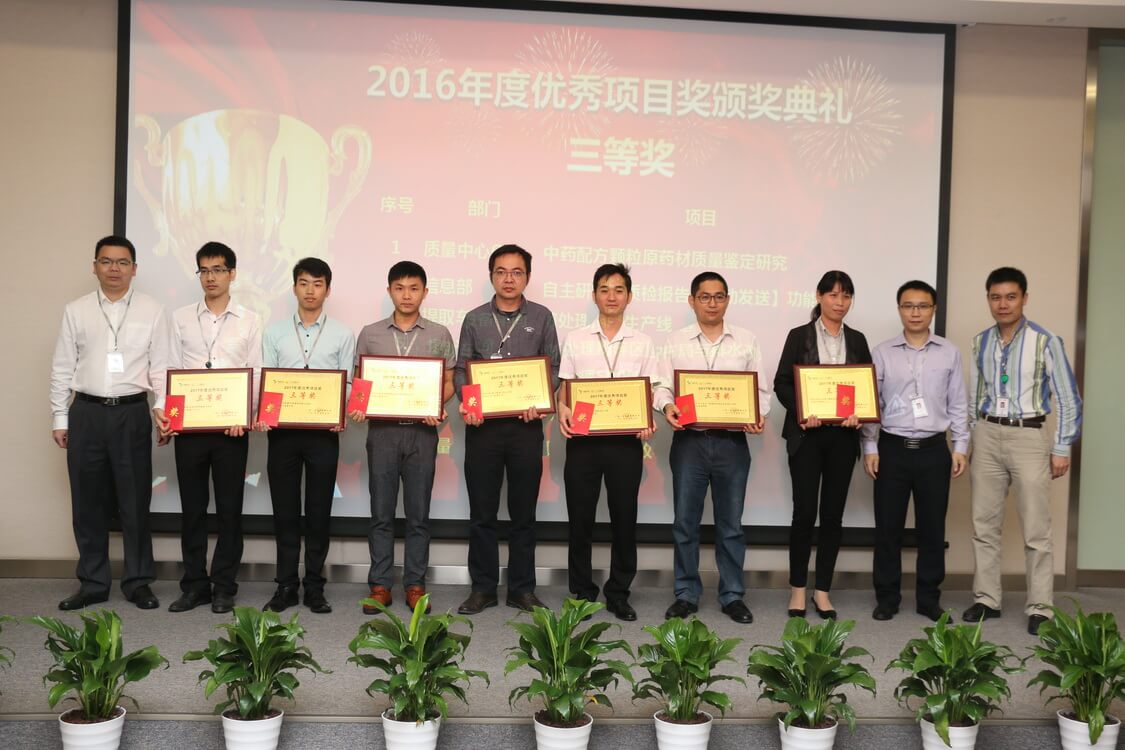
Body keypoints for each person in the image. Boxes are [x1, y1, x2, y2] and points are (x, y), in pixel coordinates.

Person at [49, 235, 170, 611]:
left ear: (134, 268)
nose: (114, 268)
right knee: (87, 502)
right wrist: (59, 416)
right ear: (95, 267)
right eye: (106, 261)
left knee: (135, 501)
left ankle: (138, 582)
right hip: (86, 412)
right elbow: (62, 366)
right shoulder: (77, 310)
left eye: (122, 262)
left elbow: (161, 366)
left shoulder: (153, 310)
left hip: (131, 413)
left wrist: (162, 410)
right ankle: (93, 582)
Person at [962, 267, 1082, 636]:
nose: (1003, 304)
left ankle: (1040, 607)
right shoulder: (980, 342)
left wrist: (1061, 447)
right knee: (984, 524)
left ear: (1024, 298)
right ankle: (987, 599)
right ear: (988, 299)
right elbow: (975, 396)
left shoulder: (1046, 341)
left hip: (1029, 436)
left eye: (1011, 297)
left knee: (1036, 529)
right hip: (987, 434)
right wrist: (972, 439)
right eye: (996, 297)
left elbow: (1068, 399)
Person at [653, 271, 769, 624]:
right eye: (705, 297)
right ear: (692, 301)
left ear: (727, 300)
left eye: (719, 297)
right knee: (685, 523)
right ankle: (686, 594)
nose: (712, 303)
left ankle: (732, 595)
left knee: (730, 524)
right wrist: (667, 407)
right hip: (690, 442)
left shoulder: (746, 341)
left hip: (732, 443)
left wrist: (757, 414)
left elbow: (761, 392)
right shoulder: (675, 341)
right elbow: (661, 387)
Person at [454, 244, 560, 615]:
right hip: (483, 429)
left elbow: (553, 368)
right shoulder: (474, 319)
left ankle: (521, 589)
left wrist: (541, 400)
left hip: (525, 429)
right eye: (501, 272)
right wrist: (470, 403)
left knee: (523, 514)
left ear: (527, 277)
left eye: (516, 272)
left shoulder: (542, 317)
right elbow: (461, 369)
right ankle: (483, 588)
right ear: (491, 276)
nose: (509, 279)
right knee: (482, 514)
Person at [556, 264, 660, 622]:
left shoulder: (643, 342)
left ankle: (618, 592)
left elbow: (651, 389)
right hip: (583, 442)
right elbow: (565, 387)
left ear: (629, 297)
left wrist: (647, 418)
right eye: (604, 289)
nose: (611, 296)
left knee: (624, 520)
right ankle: (582, 593)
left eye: (618, 290)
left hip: (625, 444)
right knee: (580, 520)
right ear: (594, 295)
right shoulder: (576, 338)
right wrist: (562, 408)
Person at [861, 280, 968, 622]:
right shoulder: (882, 352)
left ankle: (928, 599)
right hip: (892, 449)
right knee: (887, 528)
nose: (915, 312)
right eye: (908, 306)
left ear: (933, 309)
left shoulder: (949, 352)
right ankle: (887, 598)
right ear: (899, 310)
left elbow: (958, 402)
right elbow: (872, 404)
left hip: (934, 450)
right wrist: (870, 446)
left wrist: (961, 445)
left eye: (922, 306)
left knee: (932, 530)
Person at [351, 261, 455, 615]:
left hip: (422, 433)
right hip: (382, 432)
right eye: (399, 288)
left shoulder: (439, 333)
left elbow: (449, 381)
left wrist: (436, 405)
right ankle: (380, 585)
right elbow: (360, 381)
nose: (406, 295)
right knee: (381, 512)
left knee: (418, 514)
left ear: (425, 292)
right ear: (389, 291)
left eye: (413, 288)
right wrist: (359, 405)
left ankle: (415, 585)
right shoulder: (371, 333)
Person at [164, 242, 262, 614]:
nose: (211, 277)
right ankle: (194, 586)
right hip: (190, 430)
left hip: (231, 431)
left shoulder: (250, 319)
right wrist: (170, 417)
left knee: (229, 511)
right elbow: (170, 368)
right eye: (204, 270)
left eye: (218, 269)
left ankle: (224, 586)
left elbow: (255, 372)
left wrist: (245, 415)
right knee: (192, 510)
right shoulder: (180, 318)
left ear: (232, 274)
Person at [259, 257, 355, 614]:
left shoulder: (343, 334)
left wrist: (340, 412)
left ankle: (314, 585)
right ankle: (285, 585)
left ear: (327, 290)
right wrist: (265, 413)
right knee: (284, 511)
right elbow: (266, 380)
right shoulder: (274, 332)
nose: (310, 290)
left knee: (318, 510)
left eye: (317, 284)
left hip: (323, 434)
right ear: (294, 287)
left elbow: (347, 382)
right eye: (303, 283)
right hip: (282, 434)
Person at [773, 270, 871, 619]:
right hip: (807, 437)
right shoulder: (799, 336)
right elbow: (782, 383)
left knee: (832, 516)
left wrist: (859, 414)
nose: (839, 302)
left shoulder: (857, 339)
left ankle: (823, 591)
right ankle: (798, 589)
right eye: (833, 295)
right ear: (819, 296)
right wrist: (803, 411)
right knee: (804, 513)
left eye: (846, 296)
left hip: (842, 438)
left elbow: (865, 387)